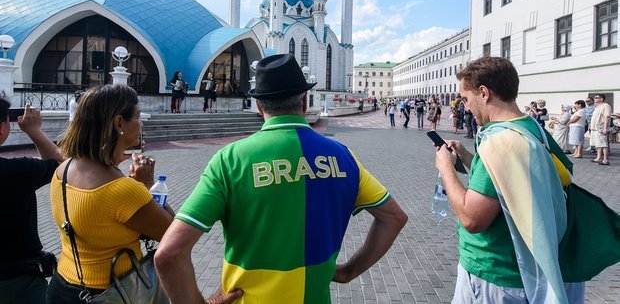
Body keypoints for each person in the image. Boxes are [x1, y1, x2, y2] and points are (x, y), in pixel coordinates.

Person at [155, 54, 408, 304]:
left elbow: (169, 254)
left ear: (259, 106)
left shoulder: (230, 160)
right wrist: (349, 272)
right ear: (305, 101)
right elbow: (394, 218)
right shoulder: (343, 156)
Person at [434, 57, 584, 303]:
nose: (466, 107)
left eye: (466, 98)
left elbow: (472, 219)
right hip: (530, 268)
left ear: (484, 93)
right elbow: (508, 181)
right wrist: (467, 156)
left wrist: (446, 168)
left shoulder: (499, 142)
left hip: (495, 272)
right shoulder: (531, 128)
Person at [46, 84, 175, 304]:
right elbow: (172, 234)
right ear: (119, 123)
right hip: (112, 293)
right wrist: (147, 185)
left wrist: (114, 161)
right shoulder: (124, 190)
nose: (141, 123)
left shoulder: (63, 170)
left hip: (62, 286)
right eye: (137, 116)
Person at [0, 100, 64, 304]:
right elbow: (63, 166)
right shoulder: (17, 171)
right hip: (19, 282)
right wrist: (34, 130)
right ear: (2, 128)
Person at [590, 93, 612, 165]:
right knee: (598, 144)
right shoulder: (597, 107)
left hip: (601, 128)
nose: (595, 99)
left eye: (596, 98)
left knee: (603, 144)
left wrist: (605, 128)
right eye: (594, 98)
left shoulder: (605, 106)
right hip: (595, 128)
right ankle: (598, 158)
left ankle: (606, 160)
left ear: (601, 99)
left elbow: (607, 117)